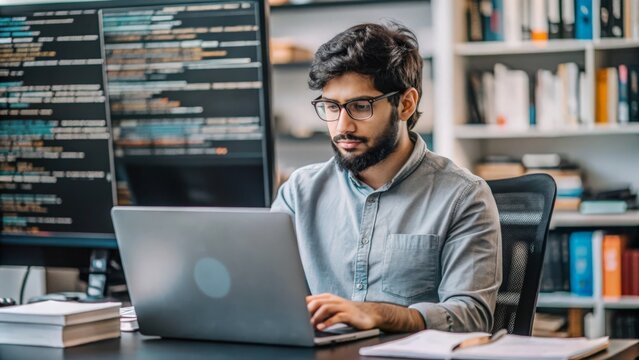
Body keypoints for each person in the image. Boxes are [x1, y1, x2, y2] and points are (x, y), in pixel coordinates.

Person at [271, 23, 501, 333]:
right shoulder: (299, 192)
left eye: (360, 106)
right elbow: (265, 293)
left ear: (406, 104)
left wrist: (379, 314)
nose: (342, 126)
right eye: (331, 107)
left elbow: (471, 316)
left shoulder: (464, 197)